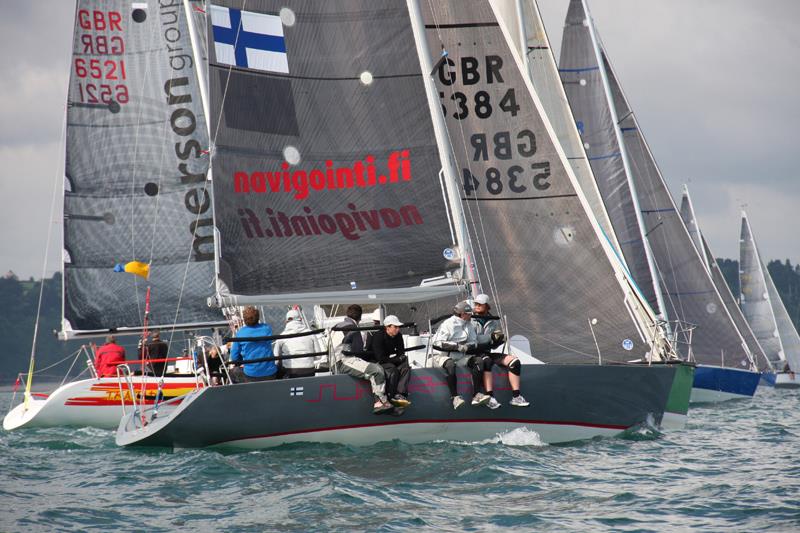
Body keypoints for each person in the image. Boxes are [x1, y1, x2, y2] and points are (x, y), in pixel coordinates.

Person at [471, 294, 529, 408]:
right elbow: (472, 339)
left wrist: (500, 339)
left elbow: (493, 343)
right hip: (473, 353)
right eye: (475, 304)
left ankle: (516, 397)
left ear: (487, 306)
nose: (477, 306)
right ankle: (490, 397)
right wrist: (490, 338)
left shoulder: (493, 321)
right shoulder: (470, 320)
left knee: (515, 362)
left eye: (480, 304)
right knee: (486, 361)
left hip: (487, 351)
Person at [333, 304, 393, 414]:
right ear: (360, 317)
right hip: (343, 361)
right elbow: (358, 350)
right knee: (377, 370)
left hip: (337, 360)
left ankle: (381, 401)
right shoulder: (352, 328)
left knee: (374, 368)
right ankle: (380, 402)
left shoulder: (338, 325)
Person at [431, 301, 478, 410]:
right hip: (443, 356)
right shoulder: (448, 324)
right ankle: (455, 397)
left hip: (461, 357)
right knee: (450, 364)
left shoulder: (468, 324)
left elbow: (474, 341)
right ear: (462, 314)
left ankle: (476, 395)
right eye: (469, 313)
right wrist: (457, 346)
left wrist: (467, 346)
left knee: (478, 361)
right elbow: (438, 342)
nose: (471, 315)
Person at [370, 315, 411, 407]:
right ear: (387, 327)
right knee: (392, 369)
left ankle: (400, 394)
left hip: (389, 360)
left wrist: (399, 358)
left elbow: (401, 352)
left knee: (406, 367)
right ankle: (390, 396)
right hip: (377, 362)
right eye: (395, 327)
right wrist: (396, 359)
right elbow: (380, 358)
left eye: (398, 327)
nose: (398, 329)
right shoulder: (378, 336)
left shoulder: (398, 336)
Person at [229, 306, 278, 382]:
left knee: (232, 372)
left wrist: (241, 362)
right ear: (258, 318)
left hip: (251, 375)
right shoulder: (267, 329)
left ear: (244, 320)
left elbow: (234, 357)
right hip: (271, 373)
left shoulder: (240, 333)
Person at [273, 309, 320, 379]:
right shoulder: (310, 334)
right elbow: (319, 356)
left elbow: (275, 360)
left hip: (290, 372)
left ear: (286, 321)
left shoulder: (281, 337)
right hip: (309, 371)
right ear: (300, 319)